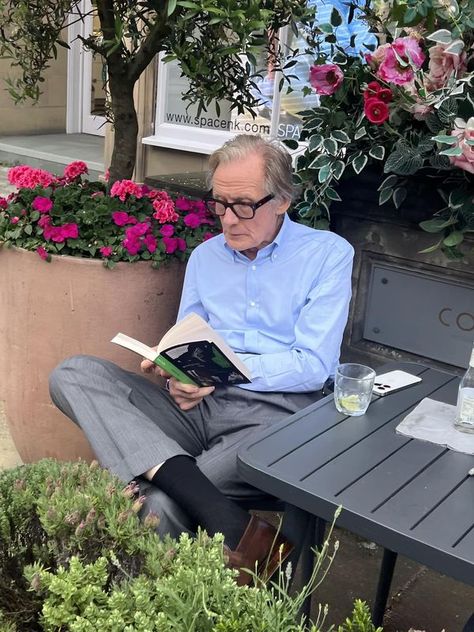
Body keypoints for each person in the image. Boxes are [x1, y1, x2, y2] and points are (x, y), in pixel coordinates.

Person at [49, 134, 354, 584]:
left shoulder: (326, 255)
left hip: (277, 417)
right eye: (220, 203)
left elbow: (314, 364)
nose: (228, 220)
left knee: (165, 500)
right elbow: (190, 339)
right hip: (197, 409)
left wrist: (225, 375)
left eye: (244, 205)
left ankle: (178, 597)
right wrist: (177, 374)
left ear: (283, 200)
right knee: (73, 373)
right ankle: (228, 524)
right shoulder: (206, 257)